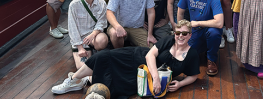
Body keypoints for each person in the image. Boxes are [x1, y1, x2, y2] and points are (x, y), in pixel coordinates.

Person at [51, 20, 200, 99]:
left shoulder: (192, 54)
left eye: (184, 34)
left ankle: (89, 81)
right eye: (178, 32)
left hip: (143, 74)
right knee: (104, 56)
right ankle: (74, 80)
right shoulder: (169, 40)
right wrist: (155, 78)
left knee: (120, 88)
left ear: (190, 35)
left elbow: (193, 75)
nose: (180, 36)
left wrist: (180, 84)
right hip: (138, 57)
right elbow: (150, 55)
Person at [177, 0, 224, 76]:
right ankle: (203, 47)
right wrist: (181, 31)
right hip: (195, 32)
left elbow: (219, 22)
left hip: (209, 29)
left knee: (214, 33)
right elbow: (180, 13)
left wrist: (198, 23)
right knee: (185, 57)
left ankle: (211, 59)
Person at [68, 0, 108, 69]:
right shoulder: (74, 5)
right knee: (83, 68)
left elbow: (102, 22)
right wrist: (80, 47)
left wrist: (92, 35)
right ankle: (88, 53)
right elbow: (72, 27)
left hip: (94, 36)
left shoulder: (101, 3)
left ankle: (96, 51)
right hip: (80, 40)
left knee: (102, 40)